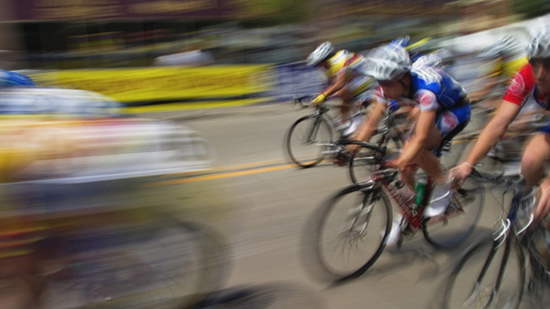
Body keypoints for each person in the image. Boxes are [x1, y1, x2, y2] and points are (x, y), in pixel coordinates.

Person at [348, 43, 471, 244]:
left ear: (404, 79)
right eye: (380, 82)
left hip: (455, 110)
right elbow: (370, 122)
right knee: (405, 171)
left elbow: (421, 137)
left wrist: (402, 159)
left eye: (387, 83)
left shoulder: (425, 88)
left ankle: (443, 183)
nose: (383, 88)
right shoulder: (387, 87)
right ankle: (408, 214)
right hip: (426, 108)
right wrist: (351, 148)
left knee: (416, 150)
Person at [452, 27, 550, 221]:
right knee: (530, 161)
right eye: (535, 64)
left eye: (548, 65)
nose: (540, 73)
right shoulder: (525, 75)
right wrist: (467, 164)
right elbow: (498, 122)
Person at [306, 42, 375, 131]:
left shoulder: (339, 61)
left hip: (366, 77)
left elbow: (340, 83)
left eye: (318, 64)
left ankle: (356, 119)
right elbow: (330, 85)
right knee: (343, 102)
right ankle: (347, 122)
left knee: (342, 91)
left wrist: (323, 96)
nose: (318, 67)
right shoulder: (328, 66)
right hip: (355, 78)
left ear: (324, 59)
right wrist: (318, 96)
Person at [469, 36, 528, 107]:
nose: (500, 58)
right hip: (511, 92)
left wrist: (489, 103)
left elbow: (516, 96)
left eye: (501, 55)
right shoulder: (502, 61)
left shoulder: (521, 65)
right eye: (500, 55)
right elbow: (490, 84)